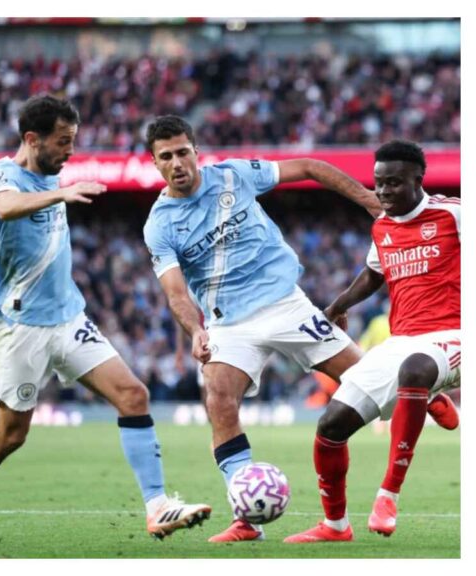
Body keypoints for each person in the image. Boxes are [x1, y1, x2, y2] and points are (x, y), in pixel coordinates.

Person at [0, 95, 210, 540]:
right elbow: (5, 207)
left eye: (73, 141)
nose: (70, 152)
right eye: (63, 142)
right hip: (20, 327)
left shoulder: (52, 174)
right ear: (32, 139)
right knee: (9, 437)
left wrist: (61, 187)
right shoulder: (2, 175)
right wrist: (61, 193)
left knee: (133, 395)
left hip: (69, 319)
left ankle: (158, 507)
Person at [141, 115, 381, 543]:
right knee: (218, 397)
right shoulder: (160, 224)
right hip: (229, 323)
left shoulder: (235, 175)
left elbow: (309, 166)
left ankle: (425, 393)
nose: (177, 162)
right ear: (155, 163)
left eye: (182, 152)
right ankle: (246, 519)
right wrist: (195, 331)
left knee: (369, 382)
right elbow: (176, 292)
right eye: (166, 157)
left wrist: (366, 198)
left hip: (284, 304)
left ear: (196, 151)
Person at [285, 140, 460, 543]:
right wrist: (336, 306)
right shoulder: (382, 226)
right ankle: (334, 526)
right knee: (331, 425)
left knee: (414, 369)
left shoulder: (453, 215)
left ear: (419, 180)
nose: (383, 192)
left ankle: (388, 494)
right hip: (404, 340)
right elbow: (373, 273)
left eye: (394, 183)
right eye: (379, 184)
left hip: (455, 333)